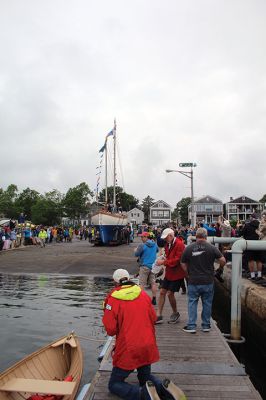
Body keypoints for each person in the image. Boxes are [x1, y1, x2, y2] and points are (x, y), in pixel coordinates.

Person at [102, 268, 187, 400]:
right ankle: (163, 388)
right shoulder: (142, 295)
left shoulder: (113, 299)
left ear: (115, 282)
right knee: (145, 377)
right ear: (129, 279)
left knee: (114, 384)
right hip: (147, 345)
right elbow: (153, 318)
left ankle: (142, 394)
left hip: (128, 348)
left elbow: (111, 329)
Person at [180, 227, 226, 333]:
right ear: (206, 236)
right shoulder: (212, 248)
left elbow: (182, 262)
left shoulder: (189, 248)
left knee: (192, 302)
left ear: (196, 236)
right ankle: (206, 325)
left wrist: (187, 273)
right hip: (208, 280)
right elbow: (223, 260)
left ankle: (191, 326)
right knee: (207, 303)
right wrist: (219, 269)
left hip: (193, 280)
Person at [155, 228, 185, 324]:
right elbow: (170, 257)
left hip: (177, 274)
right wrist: (164, 258)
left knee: (170, 293)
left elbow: (177, 260)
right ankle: (158, 315)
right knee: (162, 292)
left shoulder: (180, 245)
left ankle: (175, 313)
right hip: (169, 273)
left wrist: (163, 262)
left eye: (166, 237)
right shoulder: (168, 244)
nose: (165, 239)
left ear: (171, 236)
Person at [134, 232, 159, 305]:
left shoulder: (142, 245)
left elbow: (136, 254)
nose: (141, 238)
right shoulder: (154, 244)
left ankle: (141, 300)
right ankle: (154, 299)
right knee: (153, 283)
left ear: (146, 237)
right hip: (153, 266)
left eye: (142, 237)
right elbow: (157, 250)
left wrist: (135, 250)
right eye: (141, 237)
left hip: (144, 266)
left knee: (142, 284)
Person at [242, 213, 264, 281]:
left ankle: (253, 276)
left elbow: (243, 233)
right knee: (259, 260)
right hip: (259, 243)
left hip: (250, 244)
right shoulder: (260, 224)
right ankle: (259, 275)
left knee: (250, 260)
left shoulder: (247, 225)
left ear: (251, 217)